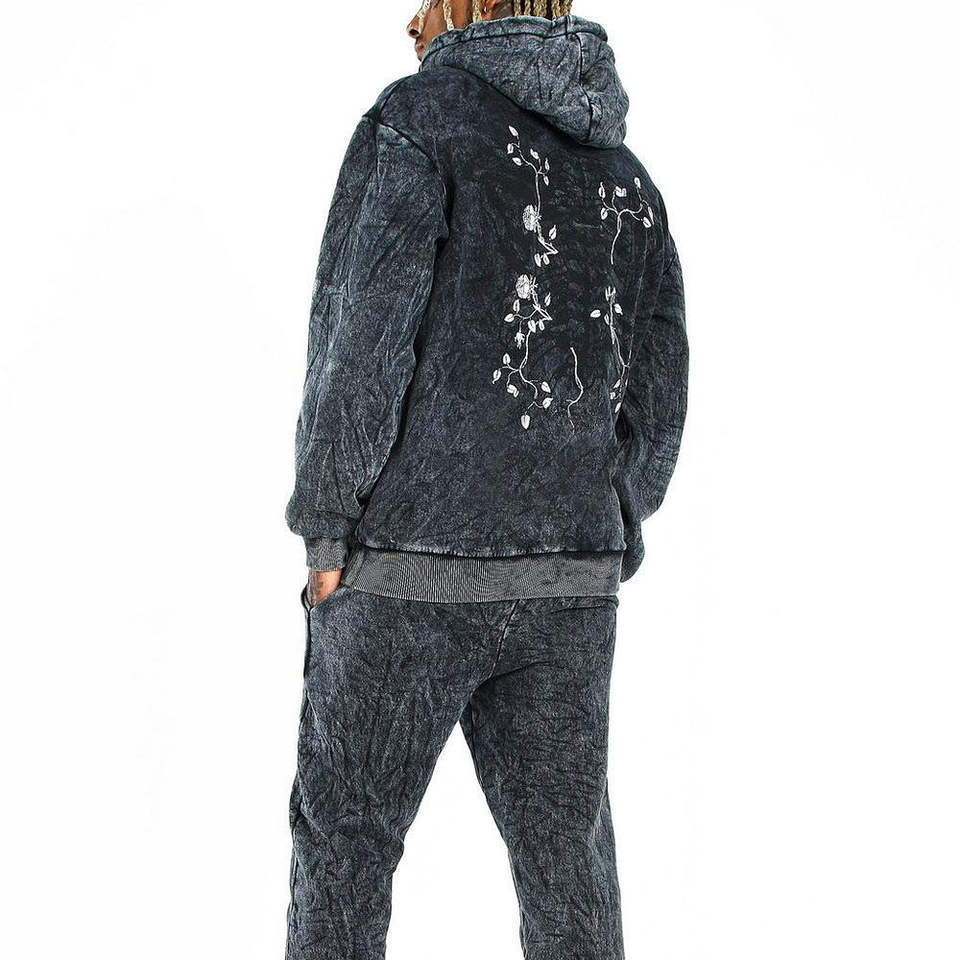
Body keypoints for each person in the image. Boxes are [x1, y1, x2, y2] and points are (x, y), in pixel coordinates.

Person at [283, 2, 687, 957]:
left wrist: (328, 525)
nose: (410, 20)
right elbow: (661, 385)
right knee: (567, 865)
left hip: (407, 573)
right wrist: (607, 525)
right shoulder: (630, 180)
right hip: (569, 584)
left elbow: (360, 339)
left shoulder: (416, 123)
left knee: (347, 848)